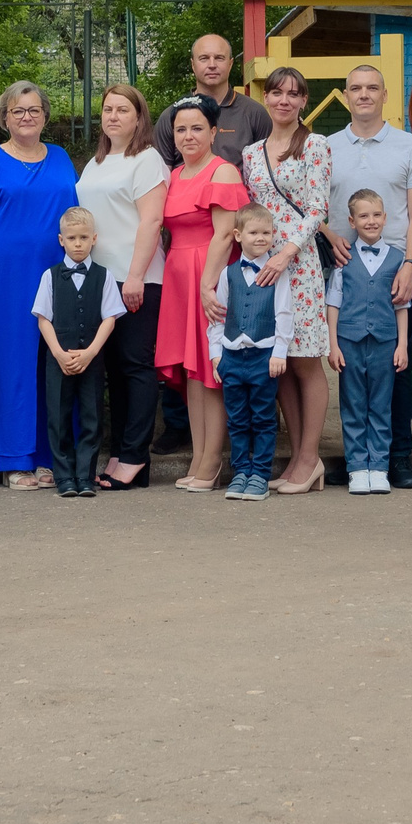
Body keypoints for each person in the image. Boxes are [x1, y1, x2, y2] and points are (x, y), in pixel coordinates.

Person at [0, 81, 77, 487]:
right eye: (17, 111)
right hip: (5, 277)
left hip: (57, 274)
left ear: (45, 115)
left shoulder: (62, 157)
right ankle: (15, 458)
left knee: (54, 362)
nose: (26, 117)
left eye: (33, 110)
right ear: (4, 118)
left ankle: (49, 456)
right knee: (11, 363)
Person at [245, 68, 338, 491]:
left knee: (304, 358)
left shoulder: (315, 145)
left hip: (298, 265)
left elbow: (318, 209)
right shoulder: (251, 153)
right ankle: (299, 458)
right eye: (277, 92)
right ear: (266, 97)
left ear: (303, 101)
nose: (284, 100)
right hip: (262, 265)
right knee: (278, 361)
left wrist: (286, 253)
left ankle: (308, 458)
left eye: (293, 94)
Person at [152, 99, 248, 490]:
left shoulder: (222, 172)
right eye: (180, 130)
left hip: (209, 274)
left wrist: (208, 285)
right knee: (192, 371)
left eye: (196, 128)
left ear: (213, 132)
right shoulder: (174, 175)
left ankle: (212, 462)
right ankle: (197, 456)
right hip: (178, 275)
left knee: (212, 370)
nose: (188, 136)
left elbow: (225, 234)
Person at [77, 85, 166, 489]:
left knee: (135, 366)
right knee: (112, 369)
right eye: (107, 109)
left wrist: (134, 274)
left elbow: (151, 222)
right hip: (99, 279)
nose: (113, 116)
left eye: (123, 110)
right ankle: (118, 454)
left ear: (138, 117)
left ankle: (135, 457)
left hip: (136, 278)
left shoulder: (147, 160)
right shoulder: (96, 162)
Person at [37, 207, 124, 499]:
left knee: (92, 417)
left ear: (94, 239)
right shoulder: (49, 276)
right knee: (58, 417)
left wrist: (90, 353)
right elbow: (43, 319)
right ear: (61, 240)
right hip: (58, 358)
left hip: (92, 358)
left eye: (83, 237)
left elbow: (110, 318)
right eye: (72, 238)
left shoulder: (104, 276)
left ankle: (85, 476)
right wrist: (60, 354)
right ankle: (64, 476)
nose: (77, 243)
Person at [329, 189, 411, 495]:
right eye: (364, 216)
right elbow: (333, 303)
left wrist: (402, 344)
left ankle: (378, 467)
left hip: (385, 342)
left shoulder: (398, 259)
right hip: (349, 340)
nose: (371, 221)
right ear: (352, 220)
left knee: (380, 405)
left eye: (377, 214)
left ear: (386, 218)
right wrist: (333, 344)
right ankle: (356, 467)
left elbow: (402, 305)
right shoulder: (344, 258)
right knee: (352, 405)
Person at [209, 205, 291, 501]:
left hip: (263, 355)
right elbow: (218, 317)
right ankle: (241, 470)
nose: (260, 238)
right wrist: (215, 354)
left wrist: (279, 352)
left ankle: (260, 473)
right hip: (231, 355)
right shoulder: (228, 274)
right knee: (237, 418)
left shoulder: (277, 273)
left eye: (266, 233)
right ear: (238, 235)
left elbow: (284, 312)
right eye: (254, 232)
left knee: (263, 417)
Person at [182, 33, 271, 168]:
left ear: (230, 64)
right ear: (193, 65)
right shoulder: (174, 116)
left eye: (219, 58)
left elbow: (269, 170)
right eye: (204, 58)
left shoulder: (255, 114)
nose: (212, 65)